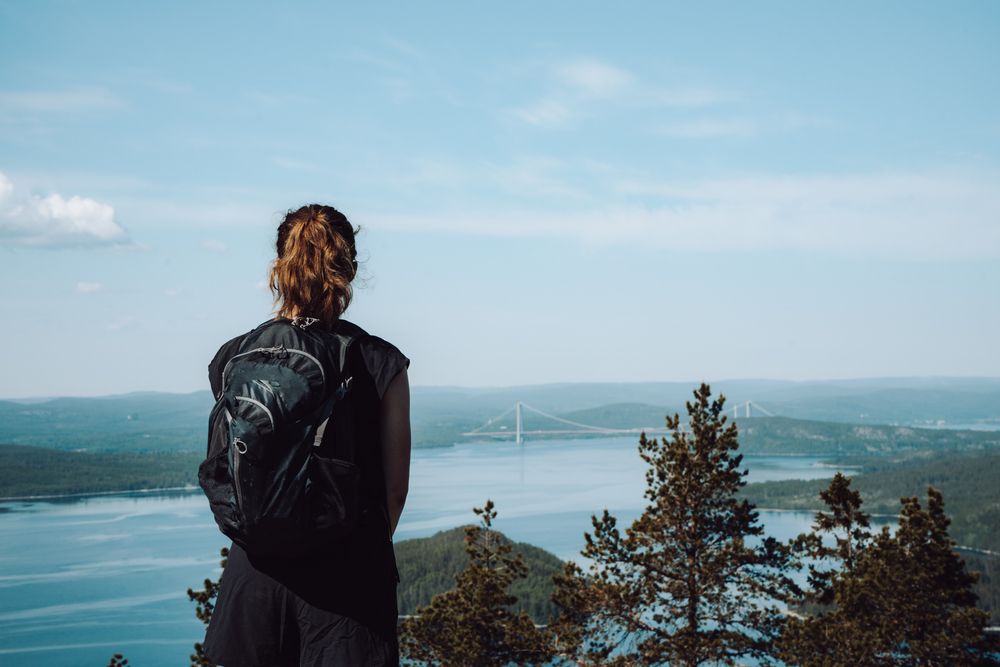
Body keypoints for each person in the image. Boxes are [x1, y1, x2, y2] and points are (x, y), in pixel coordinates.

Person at [202, 204, 411, 667]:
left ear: (280, 266)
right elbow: (394, 492)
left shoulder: (233, 356)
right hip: (347, 591)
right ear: (349, 269)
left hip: (252, 585)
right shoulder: (380, 361)